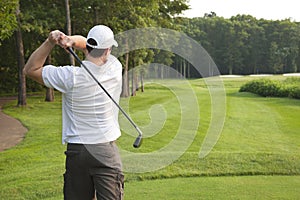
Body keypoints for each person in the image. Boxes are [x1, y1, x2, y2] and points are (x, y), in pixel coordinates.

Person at [24, 25, 124, 200]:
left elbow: (30, 69)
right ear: (108, 50)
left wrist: (50, 42)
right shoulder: (115, 69)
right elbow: (90, 46)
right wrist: (71, 40)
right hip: (105, 151)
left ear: (89, 47)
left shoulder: (69, 76)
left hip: (77, 152)